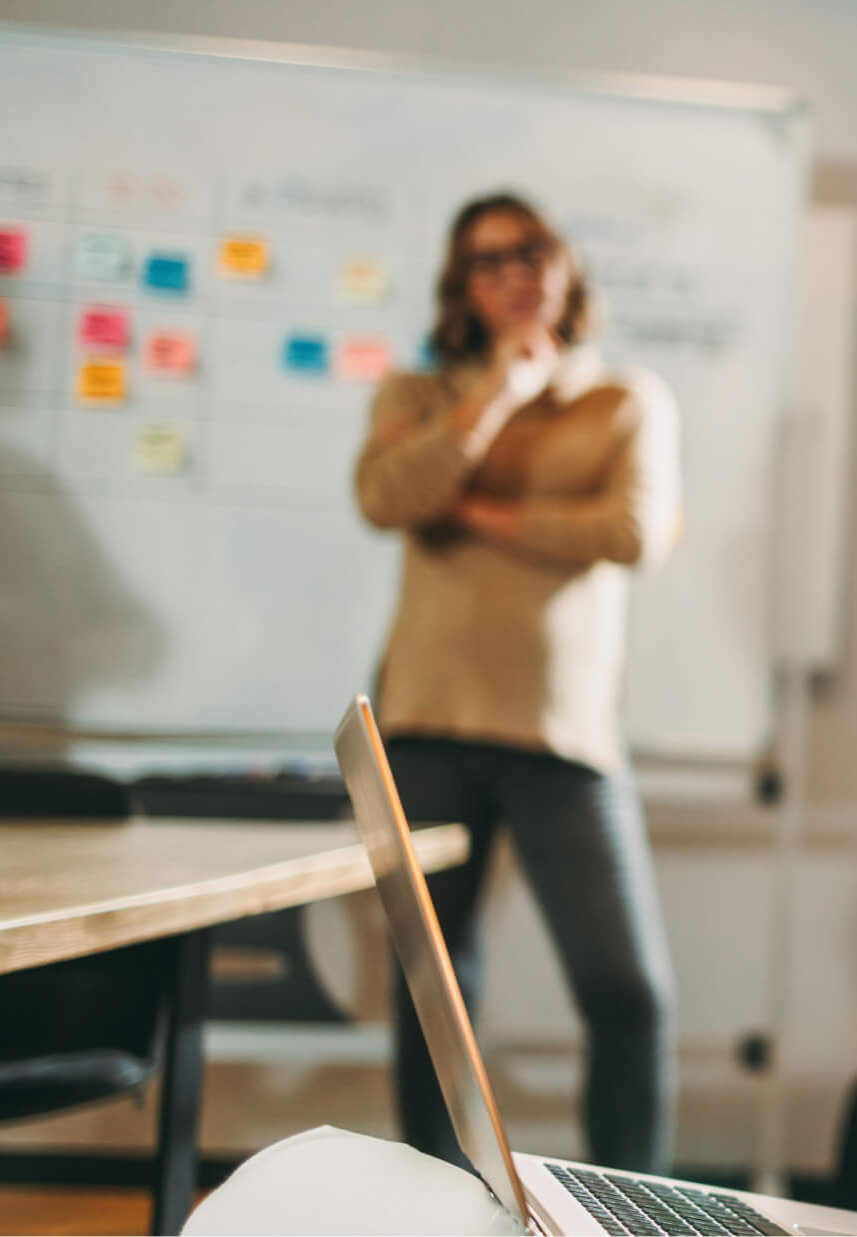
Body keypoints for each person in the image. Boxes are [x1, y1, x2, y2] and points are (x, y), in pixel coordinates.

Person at [352, 192, 683, 1174]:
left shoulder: (624, 400)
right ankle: (439, 1201)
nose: (511, 273)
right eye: (486, 260)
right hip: (424, 722)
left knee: (629, 994)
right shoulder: (416, 397)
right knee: (436, 999)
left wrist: (482, 514)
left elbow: (631, 533)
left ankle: (634, 1207)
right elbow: (386, 498)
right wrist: (492, 399)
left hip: (562, 734)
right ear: (462, 286)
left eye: (528, 251)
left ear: (564, 264)